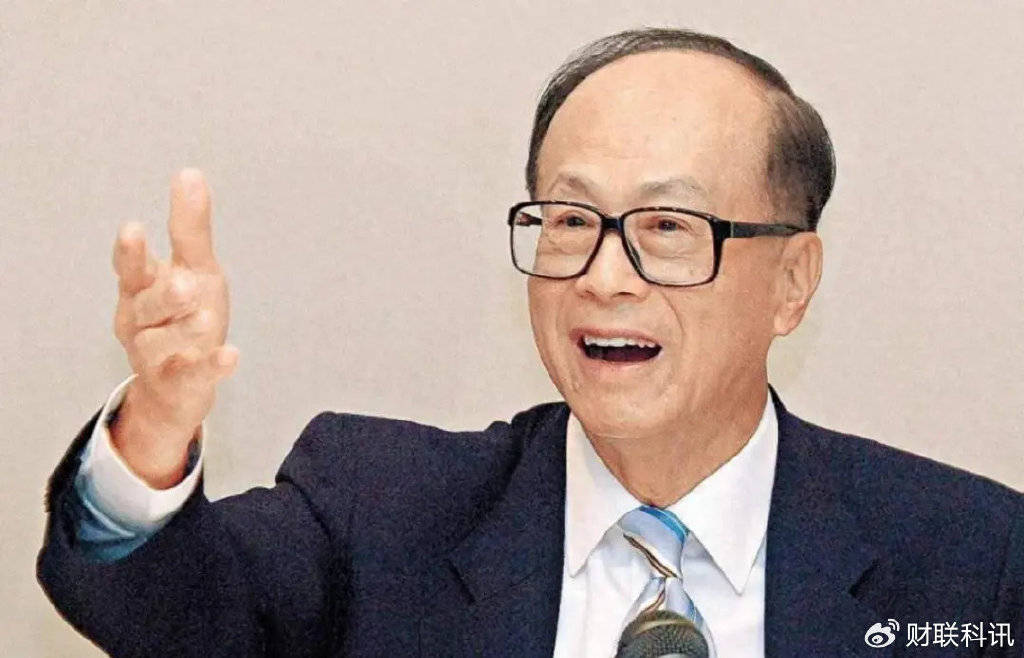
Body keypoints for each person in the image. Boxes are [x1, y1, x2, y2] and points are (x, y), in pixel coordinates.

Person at [38, 28, 1023, 657]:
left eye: (667, 226)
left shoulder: (975, 560)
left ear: (792, 281)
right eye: (569, 220)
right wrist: (153, 430)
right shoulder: (377, 512)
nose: (603, 275)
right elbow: (159, 610)